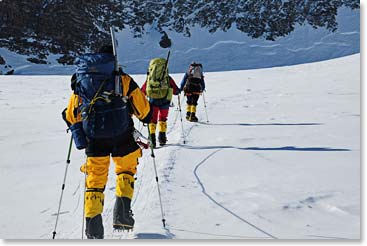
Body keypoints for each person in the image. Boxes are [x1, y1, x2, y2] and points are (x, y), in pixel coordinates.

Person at [62, 45, 151, 239]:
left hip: (94, 137)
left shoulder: (83, 81)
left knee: (95, 180)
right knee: (126, 170)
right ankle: (122, 214)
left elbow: (71, 114)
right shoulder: (123, 79)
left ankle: (93, 227)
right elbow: (143, 111)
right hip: (122, 135)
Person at [141, 57, 180, 148]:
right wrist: (177, 91)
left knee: (152, 120)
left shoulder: (150, 78)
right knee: (163, 118)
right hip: (165, 100)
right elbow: (175, 90)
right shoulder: (167, 78)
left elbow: (143, 89)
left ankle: (152, 140)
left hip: (153, 100)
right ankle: (162, 138)